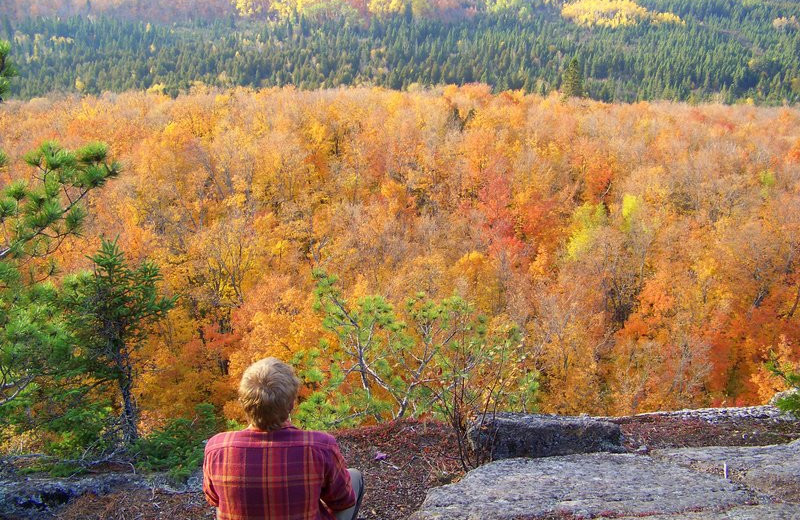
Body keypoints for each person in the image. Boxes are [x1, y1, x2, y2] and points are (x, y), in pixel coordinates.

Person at [203, 357, 364, 520]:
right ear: (291, 405)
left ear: (243, 403)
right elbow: (343, 501)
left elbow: (214, 499)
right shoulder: (320, 446)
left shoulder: (217, 448)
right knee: (354, 476)